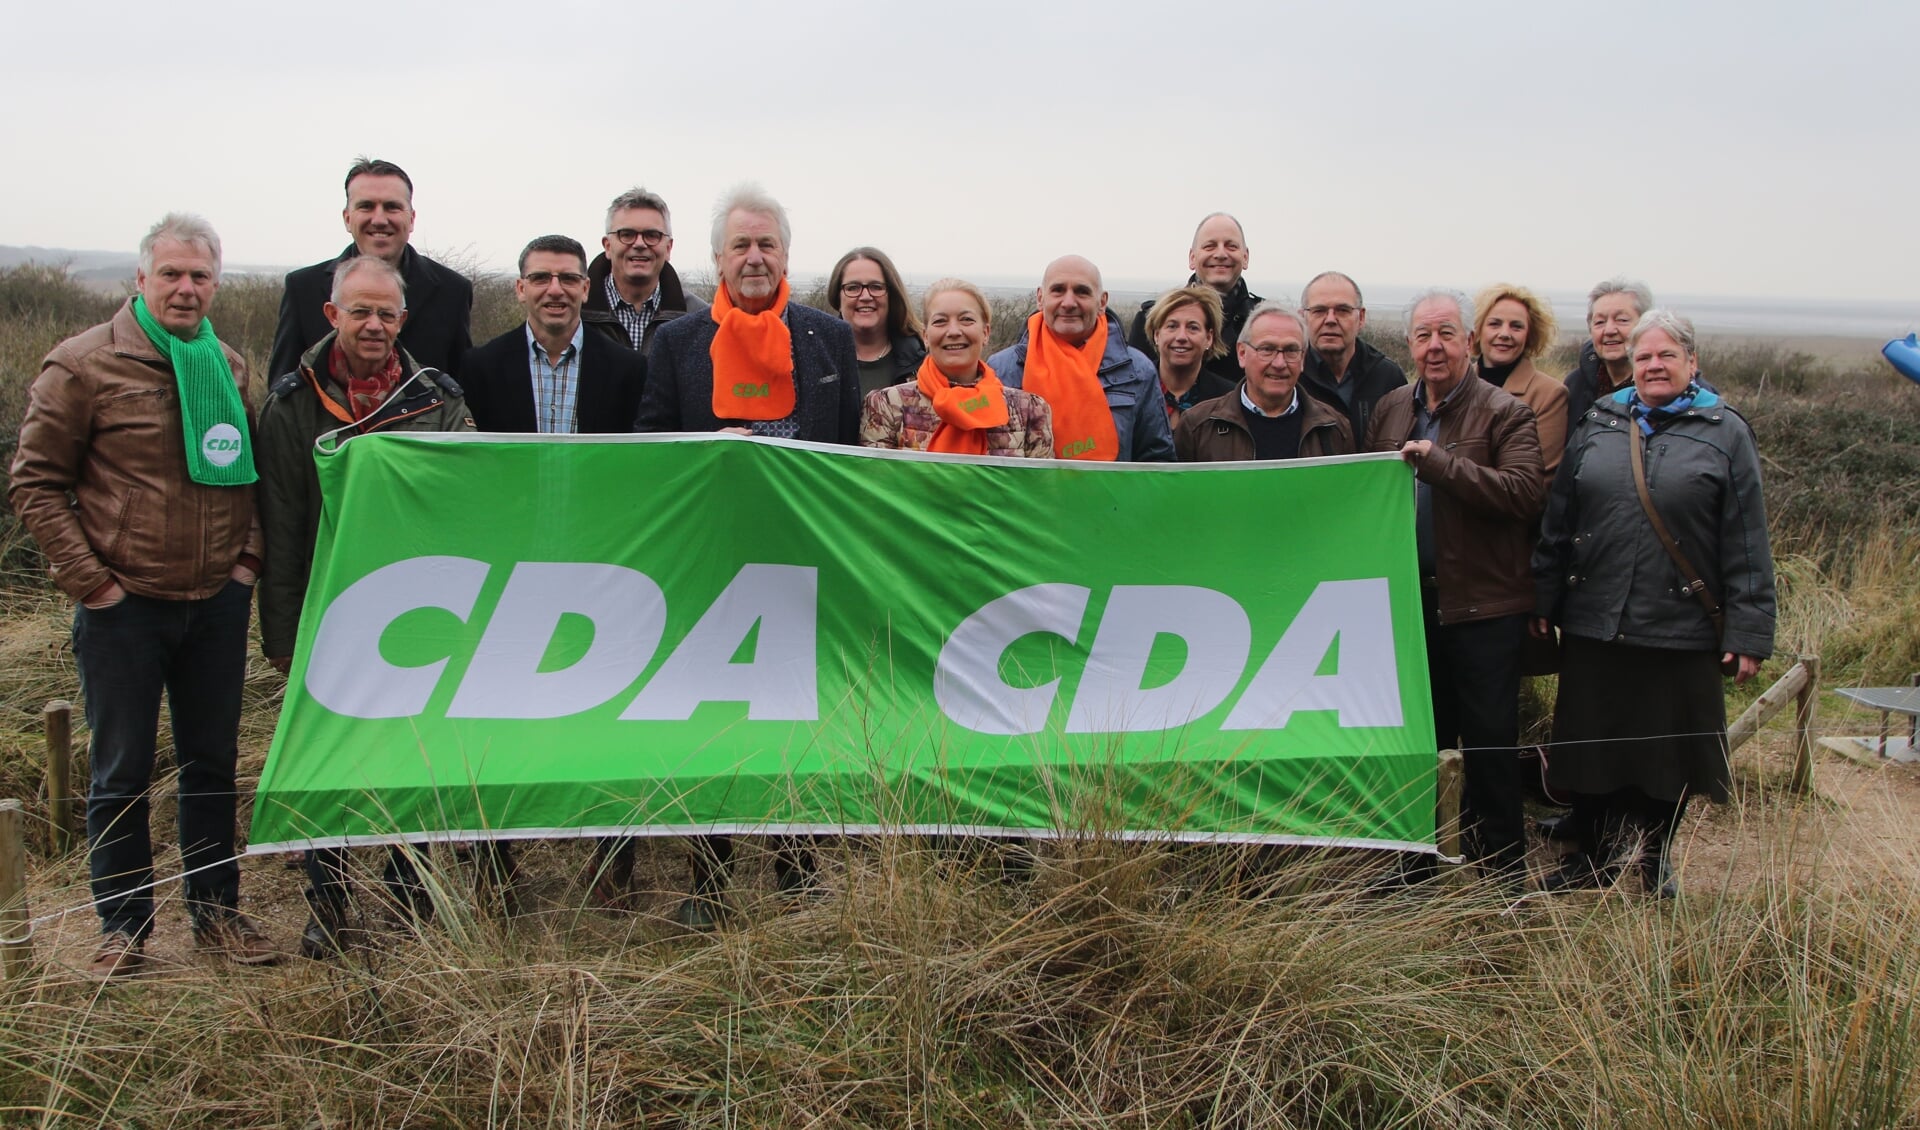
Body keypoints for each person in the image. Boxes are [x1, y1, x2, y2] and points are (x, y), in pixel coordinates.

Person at [9, 214, 277, 977]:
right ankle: (123, 927)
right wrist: (93, 584)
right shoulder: (82, 365)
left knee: (211, 764)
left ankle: (217, 914)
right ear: (141, 279)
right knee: (121, 770)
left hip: (216, 604)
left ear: (216, 283)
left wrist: (246, 565)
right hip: (124, 607)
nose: (186, 288)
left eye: (200, 276)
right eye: (172, 274)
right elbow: (36, 482)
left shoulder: (225, 364)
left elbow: (250, 474)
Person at [636, 184, 862, 927]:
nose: (755, 257)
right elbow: (653, 445)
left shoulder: (828, 338)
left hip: (806, 559)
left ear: (787, 254)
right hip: (712, 561)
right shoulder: (677, 342)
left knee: (801, 714)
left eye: (767, 244)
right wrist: (710, 453)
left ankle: (797, 867)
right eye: (742, 245)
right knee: (714, 720)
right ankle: (708, 876)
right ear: (717, 258)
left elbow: (855, 449)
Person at [256, 255, 493, 957]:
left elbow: (466, 497)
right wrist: (282, 632)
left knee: (416, 749)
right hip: (328, 609)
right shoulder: (292, 403)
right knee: (330, 758)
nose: (373, 325)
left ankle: (410, 884)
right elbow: (282, 523)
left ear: (404, 321)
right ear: (332, 315)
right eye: (359, 311)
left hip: (418, 606)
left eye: (387, 314)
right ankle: (327, 899)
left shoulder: (437, 398)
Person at [1532, 310, 1774, 895]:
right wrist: (1545, 596)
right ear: (1630, 365)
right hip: (1596, 615)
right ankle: (1589, 855)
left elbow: (1746, 538)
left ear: (1692, 362)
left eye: (1667, 356)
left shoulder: (1724, 431)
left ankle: (1654, 857)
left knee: (1667, 754)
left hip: (1681, 624)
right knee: (1590, 744)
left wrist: (1748, 629)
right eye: (1644, 357)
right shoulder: (1600, 419)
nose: (1654, 366)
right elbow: (1560, 517)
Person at [1366, 289, 1545, 884]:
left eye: (1446, 333)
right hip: (1411, 604)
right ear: (1409, 344)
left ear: (1468, 341)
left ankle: (1501, 874)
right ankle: (1416, 865)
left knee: (1490, 744)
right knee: (1419, 739)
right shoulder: (1390, 408)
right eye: (1423, 334)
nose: (1434, 346)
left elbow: (1523, 494)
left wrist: (1439, 465)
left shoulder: (1505, 412)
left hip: (1482, 607)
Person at [269, 157, 474, 379]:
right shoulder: (303, 289)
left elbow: (461, 388)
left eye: (392, 207)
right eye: (366, 206)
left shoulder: (452, 291)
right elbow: (282, 392)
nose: (379, 219)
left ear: (412, 219)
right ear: (347, 218)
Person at [986, 255, 1176, 463]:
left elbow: (1157, 460)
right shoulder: (1002, 368)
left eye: (1082, 292)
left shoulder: (1137, 370)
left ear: (1102, 302)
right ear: (1040, 298)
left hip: (1109, 494)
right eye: (1058, 290)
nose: (1068, 303)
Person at [461, 235, 647, 434]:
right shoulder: (481, 367)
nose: (556, 290)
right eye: (540, 278)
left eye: (569, 279)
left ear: (585, 289)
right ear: (521, 289)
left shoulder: (628, 369)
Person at [860, 278, 1052, 456]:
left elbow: (1038, 490)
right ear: (925, 336)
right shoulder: (886, 407)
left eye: (966, 319)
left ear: (985, 333)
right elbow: (877, 486)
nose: (953, 331)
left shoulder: (1030, 411)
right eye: (940, 321)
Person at [1175, 301, 1354, 461]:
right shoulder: (1198, 426)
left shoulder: (1334, 428)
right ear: (1242, 353)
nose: (1279, 363)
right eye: (1267, 349)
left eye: (1291, 350)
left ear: (1303, 358)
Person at [1127, 213, 1262, 384]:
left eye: (1231, 246)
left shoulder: (1262, 324)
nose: (1220, 254)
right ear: (1192, 258)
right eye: (1209, 246)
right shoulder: (1153, 319)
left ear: (1245, 257)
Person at [583, 187, 709, 354]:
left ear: (668, 248)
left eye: (652, 235)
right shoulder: (577, 313)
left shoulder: (699, 317)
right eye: (627, 234)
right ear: (607, 246)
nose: (640, 244)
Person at [1472, 283, 1569, 482]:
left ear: (1530, 335)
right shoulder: (1454, 385)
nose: (1505, 334)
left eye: (1516, 326)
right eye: (1494, 324)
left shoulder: (1549, 394)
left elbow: (1537, 480)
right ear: (1477, 330)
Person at [1299, 270, 1407, 443]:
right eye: (1319, 311)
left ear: (1361, 317)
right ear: (1303, 317)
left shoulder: (1388, 378)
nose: (1330, 320)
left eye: (1342, 310)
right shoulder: (1291, 376)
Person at [829, 247, 926, 398]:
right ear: (838, 298)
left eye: (876, 287)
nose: (866, 296)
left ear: (891, 295)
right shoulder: (815, 359)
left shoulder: (923, 362)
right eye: (853, 288)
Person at [1563, 277, 1653, 437]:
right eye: (1600, 322)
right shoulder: (1576, 385)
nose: (1609, 330)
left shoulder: (1663, 385)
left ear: (1645, 326)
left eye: (1622, 320)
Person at [1145, 285, 1232, 423]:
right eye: (1172, 326)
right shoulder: (1131, 392)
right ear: (1157, 335)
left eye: (1193, 328)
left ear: (1209, 338)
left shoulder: (1229, 401)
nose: (1181, 337)